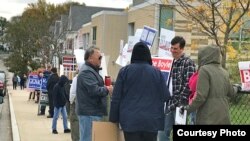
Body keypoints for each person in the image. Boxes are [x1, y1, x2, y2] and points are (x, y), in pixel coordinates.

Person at [109, 42, 170, 141]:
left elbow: (116, 98)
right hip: (151, 121)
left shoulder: (124, 71)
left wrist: (113, 118)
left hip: (130, 121)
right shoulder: (157, 72)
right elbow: (165, 96)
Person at [184, 45, 237, 124]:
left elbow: (201, 96)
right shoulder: (224, 72)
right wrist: (237, 87)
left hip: (208, 117)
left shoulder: (204, 70)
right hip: (223, 116)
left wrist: (187, 109)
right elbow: (231, 92)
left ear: (204, 56)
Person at [159, 36, 196, 141]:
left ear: (182, 49)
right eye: (171, 48)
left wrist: (179, 102)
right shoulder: (171, 63)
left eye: (175, 48)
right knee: (162, 132)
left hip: (181, 105)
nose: (172, 51)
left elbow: (190, 84)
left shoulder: (188, 63)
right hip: (169, 103)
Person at [76, 47, 113, 141]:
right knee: (87, 138)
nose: (101, 60)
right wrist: (107, 89)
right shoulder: (86, 72)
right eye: (99, 57)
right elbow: (94, 90)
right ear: (90, 58)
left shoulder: (90, 71)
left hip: (91, 112)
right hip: (89, 113)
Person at [69, 67, 80, 141]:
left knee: (75, 123)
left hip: (75, 103)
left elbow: (73, 92)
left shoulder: (77, 78)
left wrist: (71, 101)